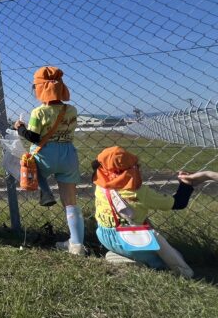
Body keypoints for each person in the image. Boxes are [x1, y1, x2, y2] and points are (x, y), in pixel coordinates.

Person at [93, 146, 195, 277]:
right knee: (168, 257)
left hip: (104, 236)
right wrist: (185, 184)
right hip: (130, 239)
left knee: (130, 246)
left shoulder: (100, 185)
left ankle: (121, 255)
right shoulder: (140, 193)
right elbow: (179, 203)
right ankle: (168, 268)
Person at [14, 66, 84, 254]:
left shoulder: (39, 112)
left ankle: (45, 192)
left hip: (46, 153)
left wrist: (19, 128)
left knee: (31, 168)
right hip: (68, 153)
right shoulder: (71, 110)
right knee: (70, 201)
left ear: (40, 88)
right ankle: (77, 244)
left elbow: (34, 137)